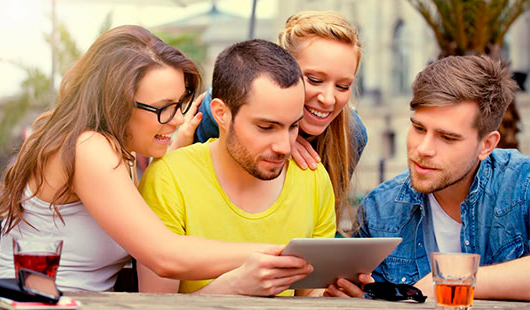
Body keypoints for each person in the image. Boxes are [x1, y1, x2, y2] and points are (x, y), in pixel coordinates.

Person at [0, 25, 312, 292]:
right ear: (117, 103)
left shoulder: (113, 150)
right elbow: (164, 255)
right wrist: (281, 253)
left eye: (180, 103)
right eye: (163, 107)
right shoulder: (88, 148)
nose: (176, 119)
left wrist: (281, 136)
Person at [137, 39, 336, 297]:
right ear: (221, 113)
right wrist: (234, 287)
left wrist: (336, 297)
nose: (285, 147)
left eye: (293, 126)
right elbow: (157, 306)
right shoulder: (169, 178)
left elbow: (310, 296)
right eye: (266, 127)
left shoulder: (313, 178)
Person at [325, 55, 530, 301]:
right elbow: (362, 296)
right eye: (419, 128)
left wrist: (450, 281)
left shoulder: (522, 184)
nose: (423, 148)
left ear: (487, 145)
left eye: (447, 138)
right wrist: (358, 301)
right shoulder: (380, 210)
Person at [194, 11, 367, 232]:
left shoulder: (351, 134)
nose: (328, 98)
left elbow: (322, 226)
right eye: (314, 80)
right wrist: (281, 132)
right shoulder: (220, 110)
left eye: (342, 86)